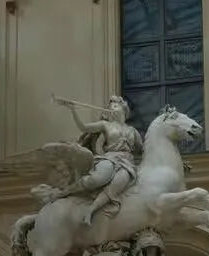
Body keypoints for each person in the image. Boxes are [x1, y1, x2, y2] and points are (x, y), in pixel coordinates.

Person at [53, 94, 143, 226]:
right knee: (99, 178)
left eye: (116, 105)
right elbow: (83, 127)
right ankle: (68, 191)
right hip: (110, 158)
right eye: (111, 106)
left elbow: (142, 149)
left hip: (127, 164)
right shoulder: (105, 125)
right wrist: (73, 110)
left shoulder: (133, 131)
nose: (112, 108)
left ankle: (91, 210)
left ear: (124, 108)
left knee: (115, 186)